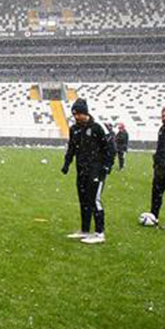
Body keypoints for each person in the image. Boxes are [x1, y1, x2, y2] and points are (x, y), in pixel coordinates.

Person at [61, 99, 114, 244]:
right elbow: (71, 147)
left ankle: (99, 232)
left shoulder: (97, 127)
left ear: (85, 112)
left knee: (94, 200)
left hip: (96, 170)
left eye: (78, 113)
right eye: (74, 114)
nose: (76, 117)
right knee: (83, 200)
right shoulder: (74, 129)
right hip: (82, 170)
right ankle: (84, 230)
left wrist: (107, 166)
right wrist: (67, 163)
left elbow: (109, 148)